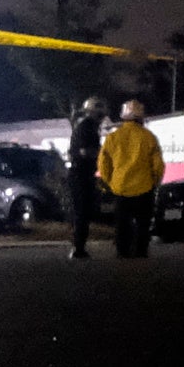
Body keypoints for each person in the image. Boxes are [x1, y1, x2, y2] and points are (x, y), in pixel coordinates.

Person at [98, 99, 163, 258]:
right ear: (141, 118)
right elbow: (157, 165)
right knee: (143, 224)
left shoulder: (113, 137)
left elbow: (103, 163)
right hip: (144, 188)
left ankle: (123, 252)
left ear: (123, 117)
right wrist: (155, 182)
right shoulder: (149, 137)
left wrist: (110, 181)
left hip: (120, 187)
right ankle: (141, 251)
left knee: (122, 224)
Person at [65, 95, 106, 258]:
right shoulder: (86, 128)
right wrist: (102, 155)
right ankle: (78, 247)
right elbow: (84, 152)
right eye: (99, 113)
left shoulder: (88, 127)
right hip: (80, 174)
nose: (102, 117)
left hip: (83, 173)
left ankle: (79, 245)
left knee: (83, 211)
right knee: (81, 211)